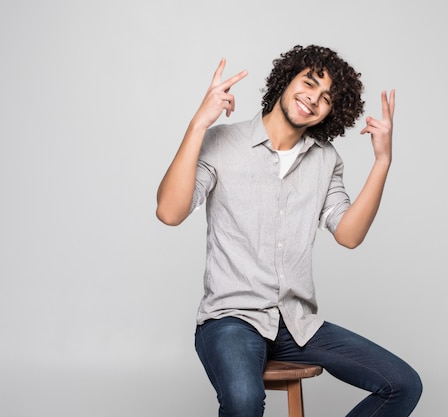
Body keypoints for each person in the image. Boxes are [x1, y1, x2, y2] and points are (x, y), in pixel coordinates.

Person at [156, 44, 422, 417]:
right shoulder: (222, 143)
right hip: (231, 319)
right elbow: (169, 212)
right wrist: (199, 124)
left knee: (403, 384)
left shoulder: (326, 160)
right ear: (287, 79)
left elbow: (349, 235)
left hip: (296, 324)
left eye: (326, 97)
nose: (313, 99)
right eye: (308, 83)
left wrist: (382, 161)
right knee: (244, 402)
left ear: (332, 111)